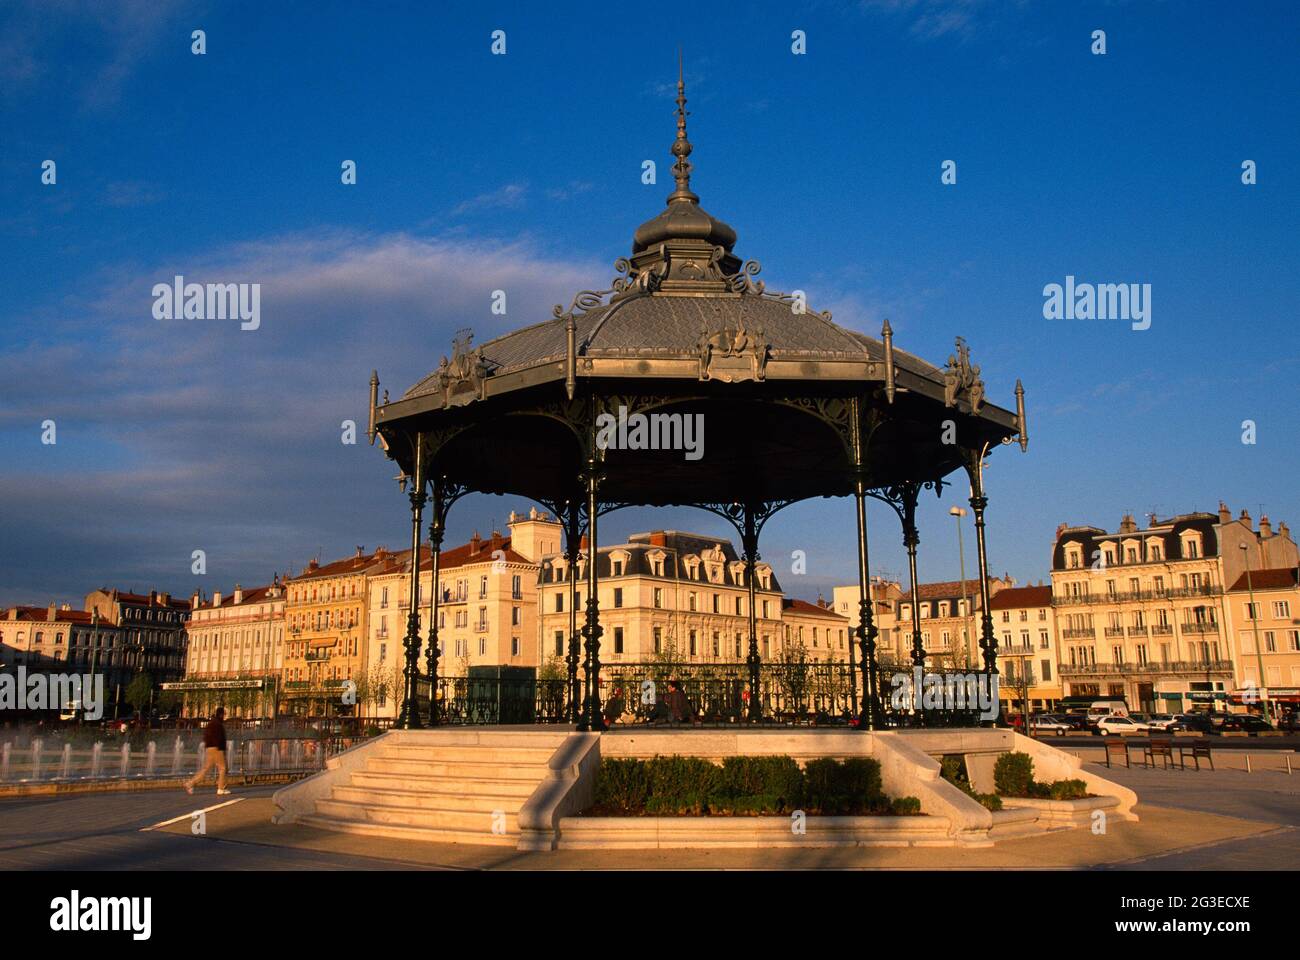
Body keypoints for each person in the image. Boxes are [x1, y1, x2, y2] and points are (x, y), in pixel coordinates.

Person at [186, 707, 230, 795]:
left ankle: (191, 783)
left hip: (210, 748)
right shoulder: (218, 724)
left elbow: (206, 736)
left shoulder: (212, 722)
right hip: (217, 748)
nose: (225, 716)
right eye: (224, 714)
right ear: (221, 714)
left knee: (206, 769)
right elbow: (218, 737)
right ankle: (221, 788)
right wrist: (221, 747)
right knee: (223, 768)